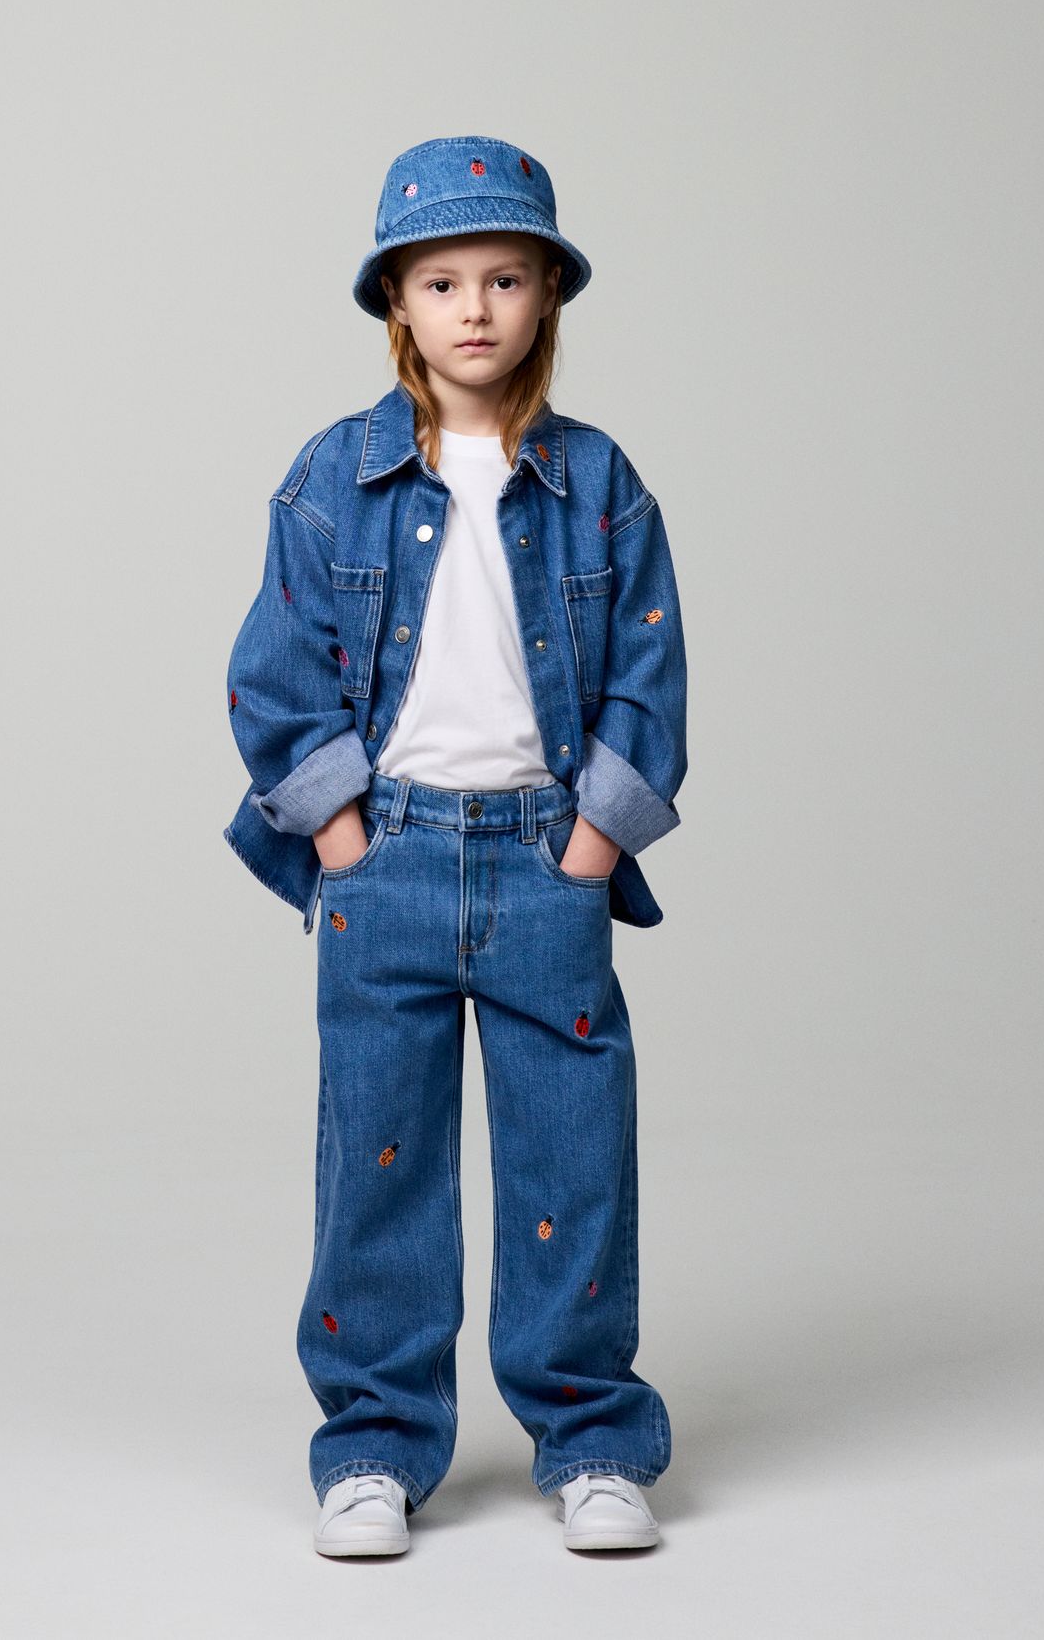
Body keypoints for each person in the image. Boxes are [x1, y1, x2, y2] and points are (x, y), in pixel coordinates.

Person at [223, 135, 688, 1556]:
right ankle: (371, 1445)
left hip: (551, 861)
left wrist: (595, 850)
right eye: (443, 281)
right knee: (378, 1159)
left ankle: (590, 1436)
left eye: (505, 277)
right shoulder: (333, 476)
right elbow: (274, 671)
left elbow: (647, 679)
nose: (474, 306)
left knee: (572, 1158)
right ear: (398, 305)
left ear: (548, 296)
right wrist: (347, 840)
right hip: (394, 864)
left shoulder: (601, 481)